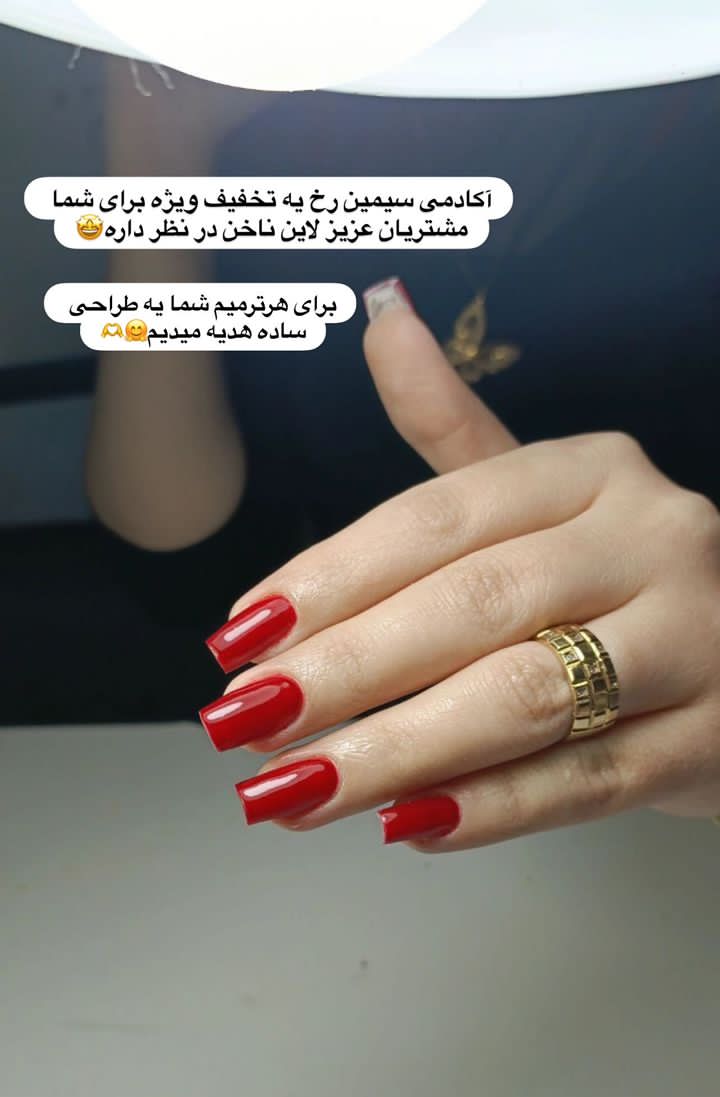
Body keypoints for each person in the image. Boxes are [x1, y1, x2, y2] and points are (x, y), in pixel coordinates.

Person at [26, 58, 720, 843]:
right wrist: (157, 146)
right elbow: (184, 570)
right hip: (347, 785)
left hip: (643, 830)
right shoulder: (303, 127)